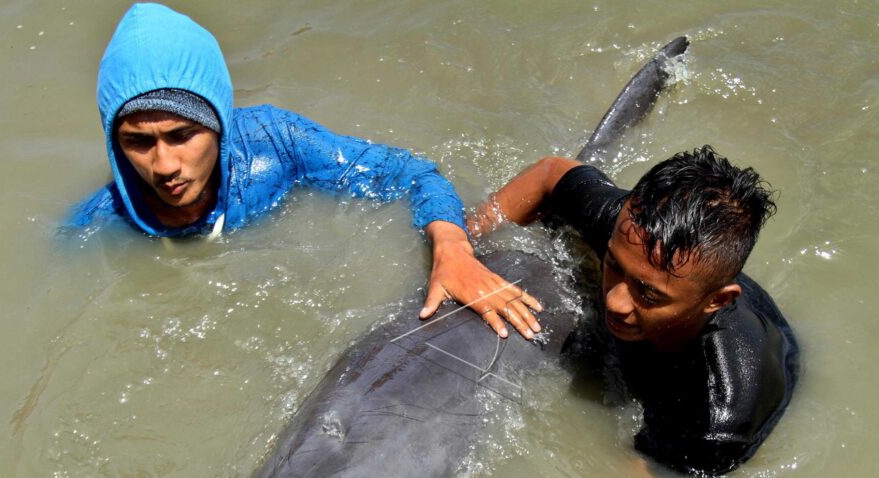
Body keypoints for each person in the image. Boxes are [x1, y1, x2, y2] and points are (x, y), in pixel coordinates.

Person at [69, 3, 540, 339]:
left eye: (182, 135)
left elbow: (414, 175)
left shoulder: (279, 144)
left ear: (219, 121)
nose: (164, 165)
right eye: (138, 142)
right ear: (115, 142)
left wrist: (453, 250)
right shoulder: (102, 223)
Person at [467, 148, 799, 477]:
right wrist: (464, 251)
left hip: (726, 352)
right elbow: (549, 172)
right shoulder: (634, 239)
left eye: (648, 293)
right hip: (684, 286)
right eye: (613, 265)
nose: (616, 302)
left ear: (717, 300)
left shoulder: (717, 420)